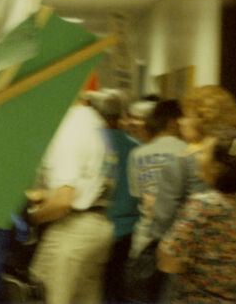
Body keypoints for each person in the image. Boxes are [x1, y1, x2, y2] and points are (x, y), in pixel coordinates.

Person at [26, 93, 114, 304]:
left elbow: (63, 201)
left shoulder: (67, 128)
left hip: (71, 231)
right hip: (98, 226)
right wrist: (45, 194)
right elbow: (86, 181)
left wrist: (31, 218)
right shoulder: (93, 121)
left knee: (43, 296)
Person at [158, 126, 236, 303]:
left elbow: (169, 261)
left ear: (217, 167)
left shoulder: (202, 204)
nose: (197, 156)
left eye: (203, 152)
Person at [125, 100, 187, 302]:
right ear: (173, 122)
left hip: (145, 239)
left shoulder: (137, 154)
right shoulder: (190, 152)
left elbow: (139, 195)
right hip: (180, 242)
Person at [87, 89, 141, 304]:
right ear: (120, 115)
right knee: (117, 290)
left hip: (94, 228)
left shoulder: (91, 144)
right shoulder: (136, 147)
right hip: (128, 230)